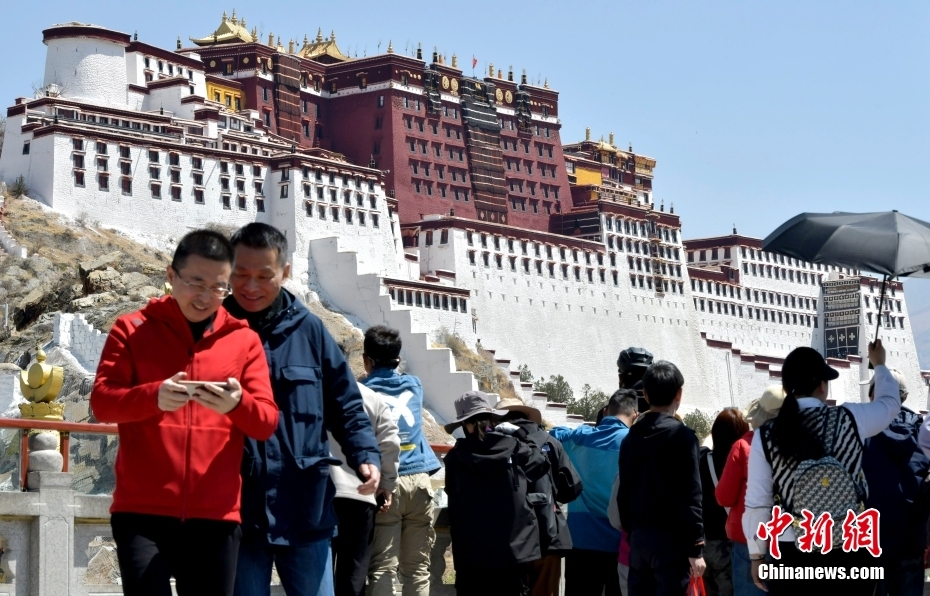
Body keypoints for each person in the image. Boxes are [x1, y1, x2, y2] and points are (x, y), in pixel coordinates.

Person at [91, 230, 279, 596]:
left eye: (219, 287)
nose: (206, 297)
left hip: (216, 515)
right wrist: (154, 397)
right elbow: (102, 402)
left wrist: (237, 404)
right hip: (141, 512)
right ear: (171, 275)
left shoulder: (244, 340)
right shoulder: (132, 329)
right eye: (196, 283)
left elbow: (266, 423)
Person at [224, 223, 382, 596]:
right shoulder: (212, 330)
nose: (250, 286)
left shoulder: (310, 330)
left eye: (264, 276)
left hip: (304, 503)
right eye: (240, 274)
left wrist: (365, 455)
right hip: (237, 509)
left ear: (285, 272)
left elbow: (345, 404)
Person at [744, 341, 899, 596]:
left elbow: (757, 502)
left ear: (786, 388)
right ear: (822, 385)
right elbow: (890, 404)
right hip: (849, 547)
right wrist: (879, 364)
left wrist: (756, 556)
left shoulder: (766, 435)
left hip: (792, 549)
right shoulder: (850, 418)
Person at [362, 325, 443, 596]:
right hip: (420, 482)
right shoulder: (414, 385)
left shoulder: (362, 391)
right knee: (418, 568)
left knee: (383, 567)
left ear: (366, 360)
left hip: (387, 484)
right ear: (398, 359)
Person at [443, 391, 549, 595]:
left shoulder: (455, 457)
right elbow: (541, 463)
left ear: (464, 423)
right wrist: (521, 434)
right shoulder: (515, 448)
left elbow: (452, 492)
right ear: (492, 418)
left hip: (471, 555)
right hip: (513, 552)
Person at [618, 361, 705, 596]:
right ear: (679, 394)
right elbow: (691, 495)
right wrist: (696, 547)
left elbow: (623, 494)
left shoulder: (629, 439)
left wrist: (634, 532)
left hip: (639, 540)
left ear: (645, 395)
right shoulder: (683, 438)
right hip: (672, 542)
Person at [550, 389, 637, 596]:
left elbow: (552, 435)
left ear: (606, 411)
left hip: (581, 540)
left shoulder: (579, 437)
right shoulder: (634, 443)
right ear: (635, 414)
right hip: (619, 545)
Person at [495, 397, 584, 596]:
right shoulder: (549, 441)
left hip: (508, 540)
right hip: (547, 536)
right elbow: (572, 488)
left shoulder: (495, 443)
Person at [861, 368, 928, 596]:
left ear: (873, 394)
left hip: (868, 541)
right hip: (912, 540)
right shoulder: (922, 431)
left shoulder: (861, 429)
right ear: (905, 396)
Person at [330, 381, 401, 596]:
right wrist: (386, 483)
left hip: (318, 493)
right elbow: (389, 442)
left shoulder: (310, 392)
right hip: (361, 493)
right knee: (354, 574)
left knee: (317, 574)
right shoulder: (372, 397)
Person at [714, 386, 784, 596]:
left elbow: (724, 497)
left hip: (750, 539)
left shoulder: (744, 446)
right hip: (789, 537)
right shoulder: (799, 444)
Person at [699, 409, 749, 596]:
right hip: (728, 544)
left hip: (705, 543)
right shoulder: (739, 462)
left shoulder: (702, 459)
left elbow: (705, 445)